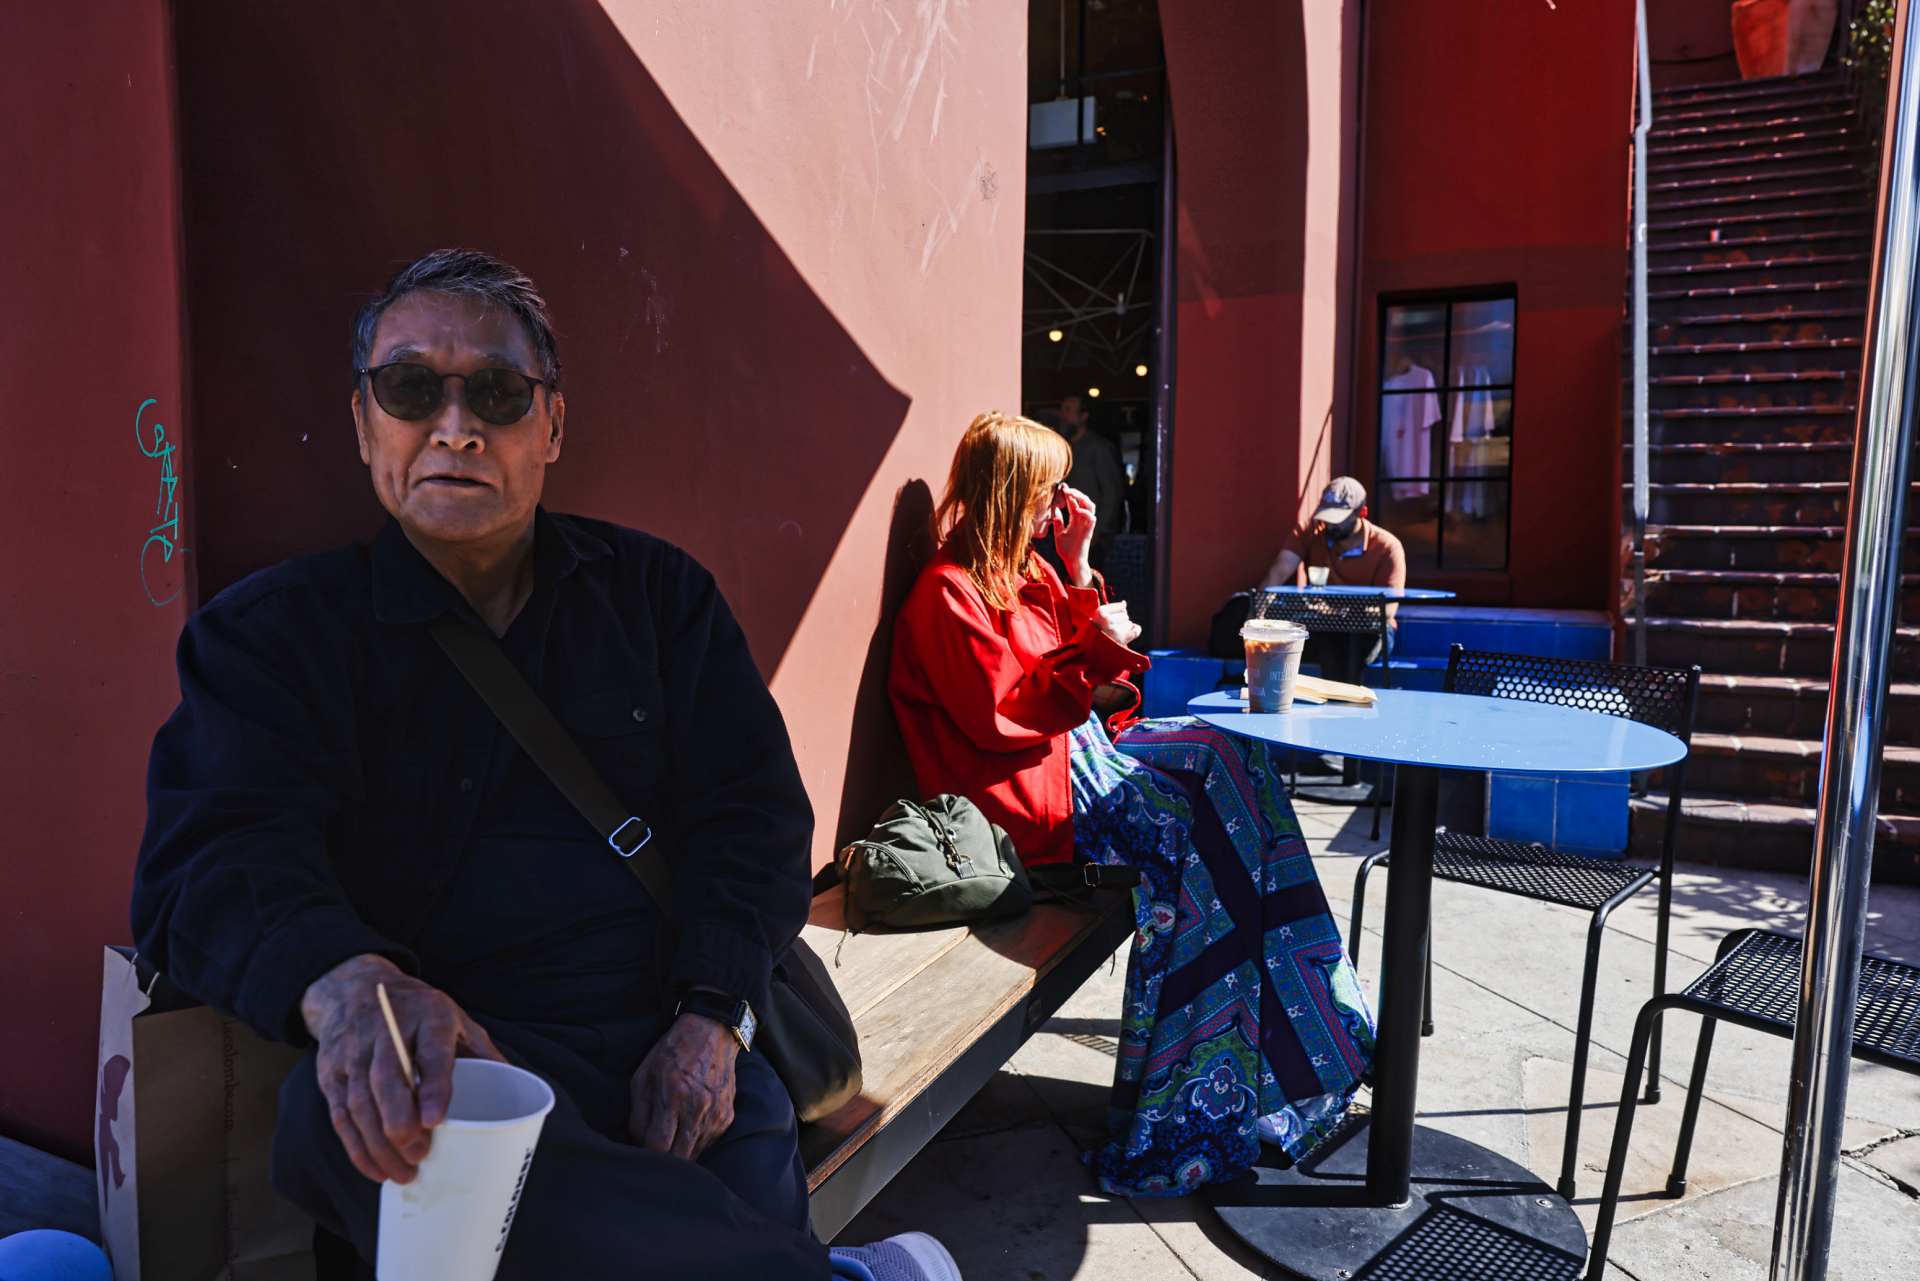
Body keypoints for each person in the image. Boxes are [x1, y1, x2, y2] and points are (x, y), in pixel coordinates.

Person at [130, 250, 957, 1281]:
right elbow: (209, 857)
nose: (455, 426)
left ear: (552, 427)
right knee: (338, 1120)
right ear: (363, 424)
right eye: (410, 388)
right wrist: (348, 987)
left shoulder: (660, 601)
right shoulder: (272, 637)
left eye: (498, 393)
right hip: (454, 1060)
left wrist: (713, 1021)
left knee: (730, 1145)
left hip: (667, 1037)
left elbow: (753, 823)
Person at [888, 412, 1374, 1197]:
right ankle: (1187, 1114)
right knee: (1204, 842)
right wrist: (1090, 669)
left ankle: (1309, 1042)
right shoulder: (947, 594)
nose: (1057, 505)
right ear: (1009, 492)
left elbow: (1084, 667)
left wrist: (1079, 565)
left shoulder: (1026, 569)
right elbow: (1004, 714)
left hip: (1080, 752)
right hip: (1033, 792)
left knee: (1235, 757)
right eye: (1046, 492)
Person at [1260, 475, 1408, 680]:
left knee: (1348, 647)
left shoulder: (1387, 547)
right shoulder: (1312, 531)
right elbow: (1277, 574)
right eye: (1325, 516)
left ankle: (1346, 697)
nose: (1329, 525)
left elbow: (1388, 610)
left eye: (1337, 519)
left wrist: (1343, 614)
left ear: (1362, 513)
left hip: (1371, 630)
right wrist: (1255, 616)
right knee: (1300, 639)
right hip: (1322, 625)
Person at [1056, 395, 1126, 567]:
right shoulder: (1063, 448)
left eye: (1068, 410)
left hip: (1092, 538)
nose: (1063, 415)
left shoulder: (1099, 448)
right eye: (1062, 410)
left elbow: (1111, 493)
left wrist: (1098, 532)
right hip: (1067, 535)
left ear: (1083, 416)